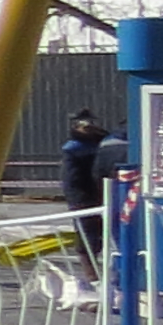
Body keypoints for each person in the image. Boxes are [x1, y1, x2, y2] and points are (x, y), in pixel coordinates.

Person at [59, 106, 126, 272]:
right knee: (87, 235)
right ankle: (91, 272)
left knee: (104, 234)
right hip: (85, 196)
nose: (89, 128)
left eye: (91, 124)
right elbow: (72, 179)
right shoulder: (73, 148)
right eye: (84, 125)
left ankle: (105, 269)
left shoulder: (103, 142)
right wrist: (77, 201)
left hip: (103, 193)